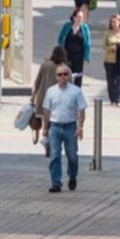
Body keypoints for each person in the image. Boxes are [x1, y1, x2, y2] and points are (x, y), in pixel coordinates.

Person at [43, 64, 88, 193]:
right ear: (56, 77)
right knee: (55, 155)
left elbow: (82, 110)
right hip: (55, 126)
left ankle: (72, 176)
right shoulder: (51, 91)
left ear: (69, 76)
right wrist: (45, 128)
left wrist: (80, 127)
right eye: (59, 74)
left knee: (72, 156)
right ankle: (56, 182)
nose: (62, 76)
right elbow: (46, 110)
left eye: (65, 74)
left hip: (70, 126)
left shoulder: (76, 91)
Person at [31, 46, 69, 154]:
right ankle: (53, 145)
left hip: (43, 100)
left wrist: (33, 96)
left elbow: (37, 82)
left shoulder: (45, 65)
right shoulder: (65, 68)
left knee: (46, 124)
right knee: (56, 124)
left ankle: (48, 145)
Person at [56, 7, 92, 88]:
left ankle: (77, 92)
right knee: (67, 74)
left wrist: (86, 56)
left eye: (82, 17)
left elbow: (88, 43)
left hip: (79, 56)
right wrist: (61, 49)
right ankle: (66, 90)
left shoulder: (85, 28)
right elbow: (60, 38)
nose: (80, 19)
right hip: (67, 55)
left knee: (78, 75)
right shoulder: (67, 26)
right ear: (74, 17)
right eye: (79, 17)